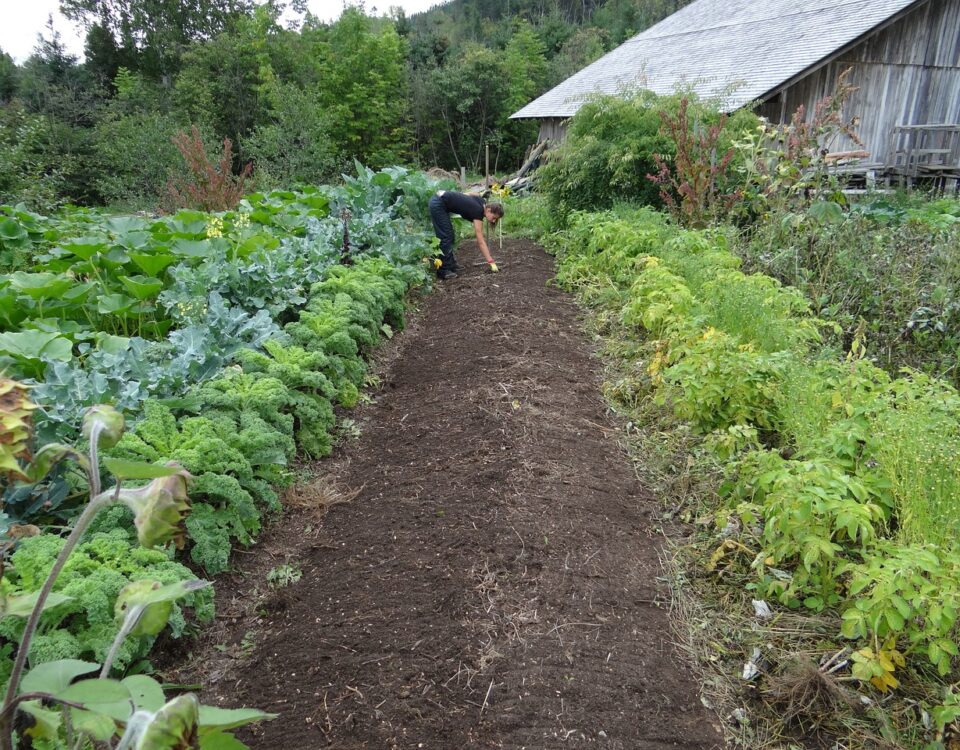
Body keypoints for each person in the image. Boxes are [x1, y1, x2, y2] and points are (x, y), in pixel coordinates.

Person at [428, 190, 504, 280]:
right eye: (494, 217)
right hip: (438, 203)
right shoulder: (477, 211)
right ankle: (443, 270)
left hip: (441, 197)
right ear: (488, 210)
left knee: (449, 235)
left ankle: (451, 264)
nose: (494, 221)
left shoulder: (482, 202)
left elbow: (472, 193)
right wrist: (491, 261)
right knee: (445, 236)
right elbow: (481, 241)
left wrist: (460, 199)